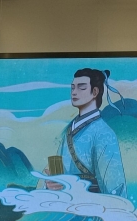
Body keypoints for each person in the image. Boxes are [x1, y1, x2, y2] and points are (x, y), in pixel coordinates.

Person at [45, 68, 127, 197]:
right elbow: (57, 172)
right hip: (65, 201)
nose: (74, 92)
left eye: (81, 88)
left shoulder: (104, 133)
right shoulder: (69, 130)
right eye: (72, 88)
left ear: (95, 92)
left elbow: (115, 186)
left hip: (93, 204)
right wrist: (51, 183)